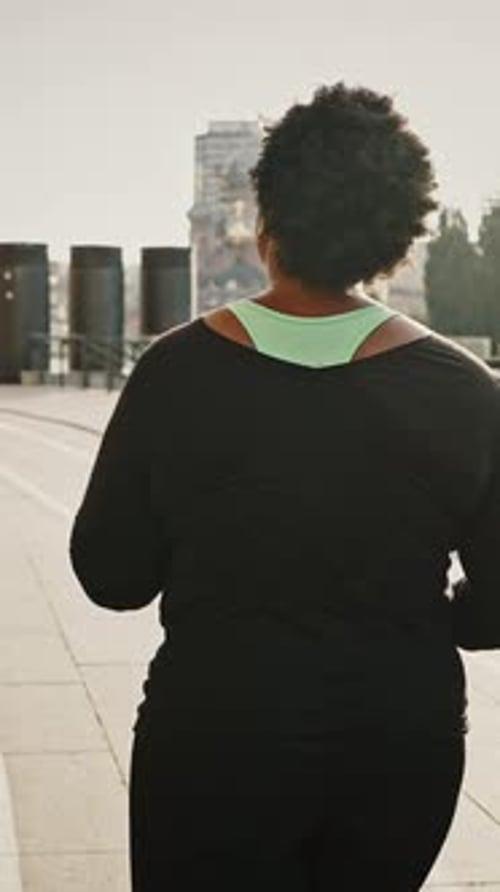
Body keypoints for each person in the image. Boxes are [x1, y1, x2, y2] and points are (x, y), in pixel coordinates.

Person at [69, 83, 500, 891]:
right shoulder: (468, 391)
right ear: (397, 242)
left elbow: (110, 573)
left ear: (266, 225)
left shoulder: (173, 374)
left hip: (214, 736)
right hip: (397, 740)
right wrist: (438, 619)